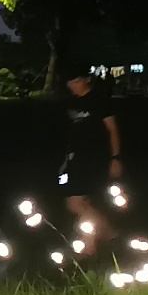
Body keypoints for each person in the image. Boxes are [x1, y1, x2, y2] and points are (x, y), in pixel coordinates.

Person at [60, 66, 122, 253]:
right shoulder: (72, 103)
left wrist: (115, 158)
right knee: (80, 204)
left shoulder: (98, 100)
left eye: (76, 80)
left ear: (87, 79)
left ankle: (91, 247)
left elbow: (112, 129)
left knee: (76, 202)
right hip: (75, 158)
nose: (72, 85)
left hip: (95, 157)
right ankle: (108, 236)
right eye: (70, 82)